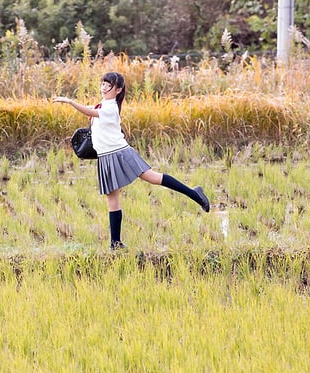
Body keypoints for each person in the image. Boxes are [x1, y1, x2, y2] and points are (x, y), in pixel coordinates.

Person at [54, 71, 210, 250]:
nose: (104, 87)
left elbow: (90, 111)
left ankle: (195, 194)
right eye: (103, 84)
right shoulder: (102, 104)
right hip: (106, 157)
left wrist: (70, 102)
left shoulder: (111, 107)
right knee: (112, 199)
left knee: (153, 178)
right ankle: (115, 243)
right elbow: (94, 115)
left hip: (120, 153)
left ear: (118, 90)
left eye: (108, 85)